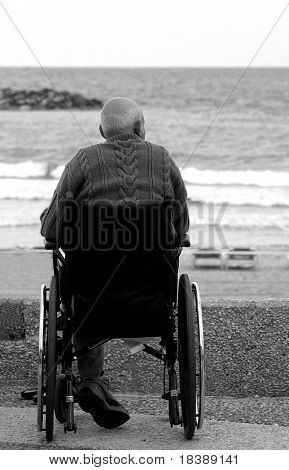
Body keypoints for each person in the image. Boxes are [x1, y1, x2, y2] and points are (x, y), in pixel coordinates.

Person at [40, 97, 189, 429]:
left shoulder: (82, 160)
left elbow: (52, 227)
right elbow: (180, 221)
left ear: (100, 131)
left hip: (93, 301)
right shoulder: (163, 159)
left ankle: (91, 380)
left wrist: (58, 231)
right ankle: (96, 386)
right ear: (141, 127)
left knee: (81, 283)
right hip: (152, 296)